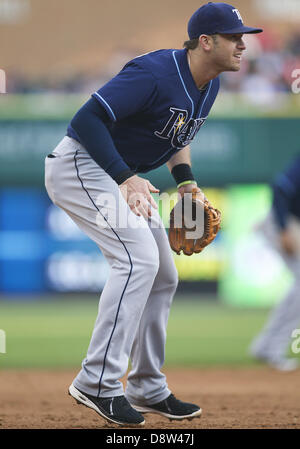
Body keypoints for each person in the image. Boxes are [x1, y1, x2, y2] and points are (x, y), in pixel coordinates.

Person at [45, 2, 262, 427]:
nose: (242, 45)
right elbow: (86, 119)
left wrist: (186, 182)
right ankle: (98, 383)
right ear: (206, 41)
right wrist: (126, 178)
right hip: (81, 166)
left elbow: (178, 134)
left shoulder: (210, 82)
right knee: (136, 259)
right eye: (235, 37)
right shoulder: (155, 72)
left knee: (164, 274)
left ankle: (146, 385)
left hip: (118, 176)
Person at [250, 156, 300, 372]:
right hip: (282, 223)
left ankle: (266, 346)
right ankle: (270, 348)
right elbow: (280, 189)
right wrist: (283, 230)